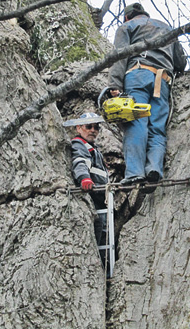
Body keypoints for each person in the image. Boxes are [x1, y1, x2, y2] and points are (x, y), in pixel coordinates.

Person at [108, 3, 187, 185]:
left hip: (138, 74)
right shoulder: (167, 28)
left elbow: (119, 56)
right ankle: (154, 168)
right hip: (163, 80)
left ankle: (134, 173)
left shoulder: (126, 27)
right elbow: (181, 62)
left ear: (127, 17)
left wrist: (114, 85)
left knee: (135, 123)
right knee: (157, 127)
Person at [65, 112, 109, 266]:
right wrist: (84, 178)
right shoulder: (79, 144)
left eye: (96, 127)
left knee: (104, 232)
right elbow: (79, 161)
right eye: (88, 126)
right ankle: (94, 264)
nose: (93, 130)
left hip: (101, 197)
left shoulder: (94, 148)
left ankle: (103, 265)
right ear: (78, 128)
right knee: (96, 229)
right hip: (92, 195)